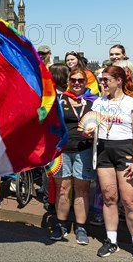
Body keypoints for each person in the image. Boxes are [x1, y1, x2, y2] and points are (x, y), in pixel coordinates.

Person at [84, 66, 133, 261]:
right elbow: (90, 126)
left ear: (118, 80)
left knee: (129, 201)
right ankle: (111, 241)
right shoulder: (98, 103)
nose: (102, 83)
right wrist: (87, 132)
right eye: (101, 79)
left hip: (126, 150)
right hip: (103, 150)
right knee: (109, 197)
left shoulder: (132, 103)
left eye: (105, 79)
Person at [50, 69, 97, 245]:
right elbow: (48, 121)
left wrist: (95, 132)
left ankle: (81, 227)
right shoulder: (60, 100)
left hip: (84, 150)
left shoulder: (95, 102)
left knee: (81, 190)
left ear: (86, 82)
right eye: (74, 80)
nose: (77, 83)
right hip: (62, 151)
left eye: (81, 80)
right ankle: (61, 225)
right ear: (68, 81)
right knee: (62, 189)